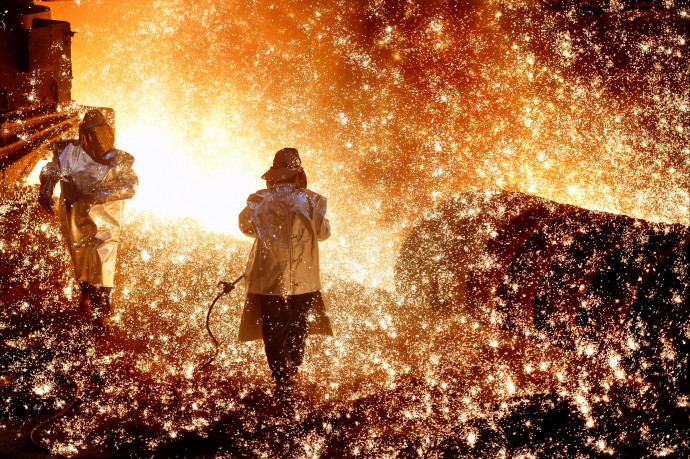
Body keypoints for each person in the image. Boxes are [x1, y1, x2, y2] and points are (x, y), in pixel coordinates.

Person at [238, 147, 332, 388]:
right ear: (298, 173)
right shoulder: (314, 200)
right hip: (305, 277)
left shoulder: (258, 200)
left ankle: (281, 378)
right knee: (299, 324)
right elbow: (323, 234)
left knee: (274, 326)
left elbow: (246, 228)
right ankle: (294, 369)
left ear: (273, 174)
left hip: (270, 277)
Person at [38, 108, 138, 330]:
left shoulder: (119, 159)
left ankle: (101, 308)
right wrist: (46, 187)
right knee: (80, 255)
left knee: (102, 257)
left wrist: (101, 194)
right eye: (91, 135)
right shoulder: (69, 152)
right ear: (83, 133)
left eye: (99, 134)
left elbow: (131, 185)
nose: (95, 141)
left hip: (105, 218)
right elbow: (51, 169)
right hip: (75, 213)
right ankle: (85, 290)